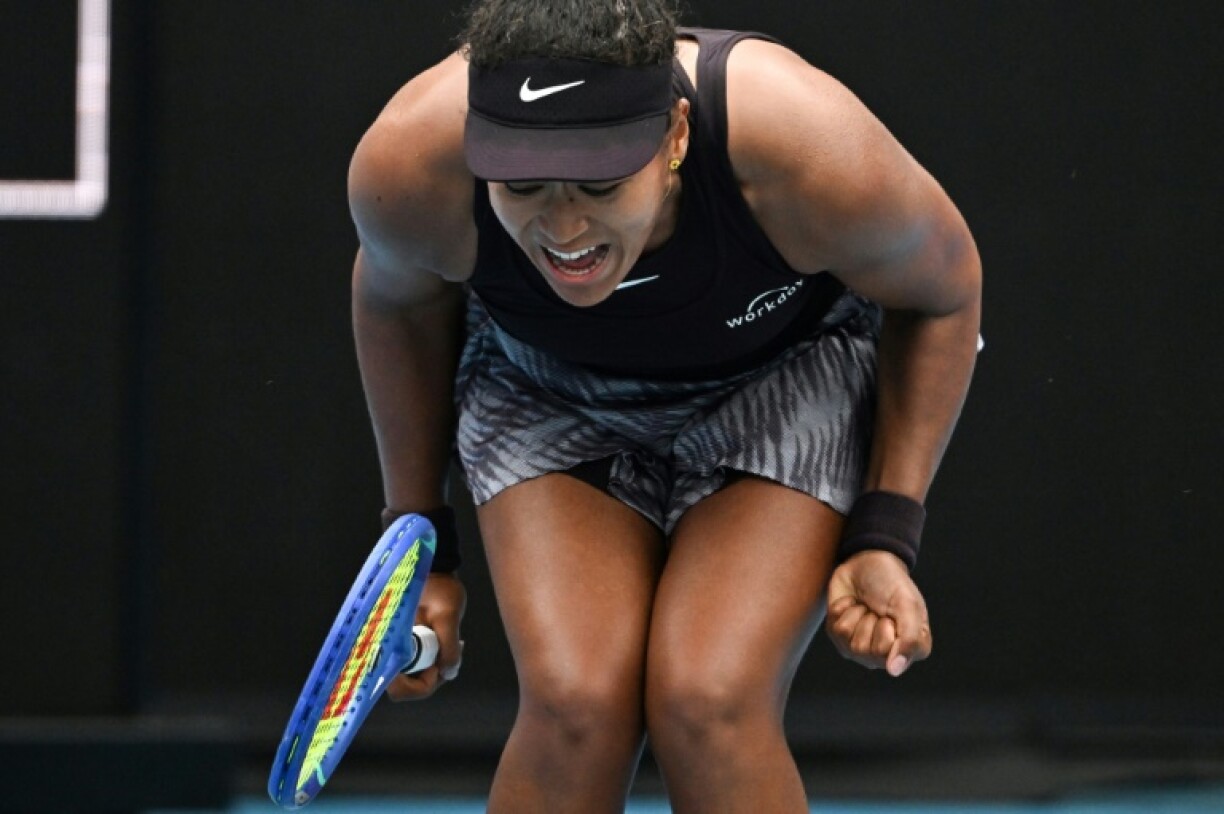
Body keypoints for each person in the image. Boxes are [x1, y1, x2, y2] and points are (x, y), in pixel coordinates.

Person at [349, 0, 981, 810]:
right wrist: (422, 548)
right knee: (574, 708)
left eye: (602, 182)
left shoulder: (805, 146)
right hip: (546, 386)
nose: (565, 227)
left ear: (677, 135)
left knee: (709, 703)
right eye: (524, 185)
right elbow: (398, 307)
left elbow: (943, 295)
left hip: (780, 378)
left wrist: (887, 530)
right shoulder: (410, 164)